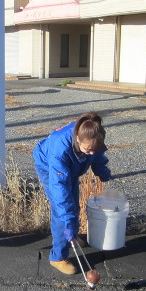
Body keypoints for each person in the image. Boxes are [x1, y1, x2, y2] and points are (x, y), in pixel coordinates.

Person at [33, 112, 112, 275]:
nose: (91, 153)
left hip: (71, 167)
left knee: (74, 205)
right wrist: (68, 220)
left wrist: (101, 169)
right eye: (88, 150)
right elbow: (60, 191)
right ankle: (57, 257)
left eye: (93, 150)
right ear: (77, 139)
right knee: (61, 209)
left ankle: (72, 237)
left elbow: (96, 154)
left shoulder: (92, 136)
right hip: (49, 166)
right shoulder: (59, 149)